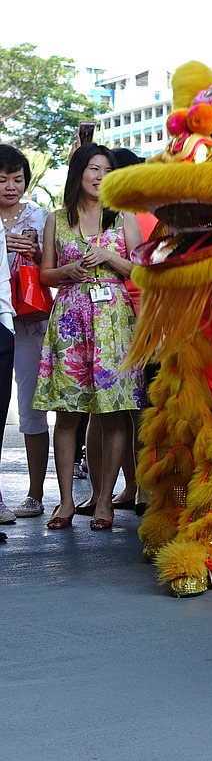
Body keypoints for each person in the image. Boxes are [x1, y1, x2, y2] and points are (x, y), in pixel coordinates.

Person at [33, 144, 145, 530]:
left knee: (114, 414)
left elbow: (139, 271)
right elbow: (45, 275)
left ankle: (103, 502)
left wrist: (108, 257)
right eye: (93, 168)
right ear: (79, 172)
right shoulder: (55, 219)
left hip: (114, 322)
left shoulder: (124, 217)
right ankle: (64, 501)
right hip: (69, 320)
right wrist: (66, 270)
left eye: (106, 170)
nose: (99, 176)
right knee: (67, 415)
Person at [1, 145, 54, 522]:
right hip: (1, 317)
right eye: (2, 179)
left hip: (31, 320)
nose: (10, 187)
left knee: (32, 408)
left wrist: (37, 254)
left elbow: (54, 265)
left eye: (17, 179)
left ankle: (35, 493)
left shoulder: (41, 216)